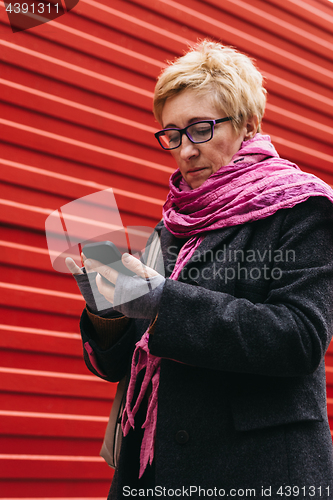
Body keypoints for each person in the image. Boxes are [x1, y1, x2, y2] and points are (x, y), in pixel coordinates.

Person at [66, 41, 333, 499]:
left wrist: (160, 301)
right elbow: (123, 367)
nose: (184, 151)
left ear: (249, 124)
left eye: (201, 129)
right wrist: (107, 312)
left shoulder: (302, 209)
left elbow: (300, 338)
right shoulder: (174, 223)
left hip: (256, 471)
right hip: (153, 474)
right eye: (171, 134)